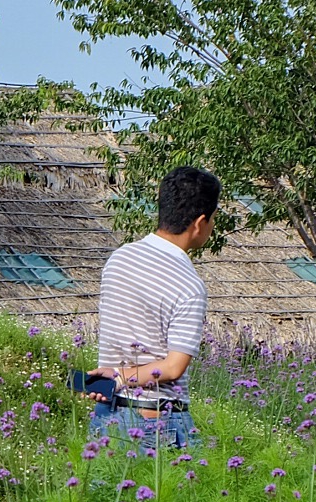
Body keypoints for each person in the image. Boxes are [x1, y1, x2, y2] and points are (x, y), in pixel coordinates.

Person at [82, 166, 219, 448]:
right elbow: (172, 367)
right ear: (200, 222)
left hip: (108, 413)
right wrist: (121, 378)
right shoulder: (188, 284)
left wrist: (112, 378)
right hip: (156, 422)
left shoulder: (119, 259)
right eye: (214, 219)